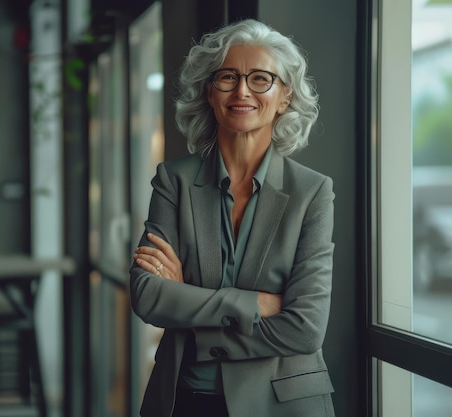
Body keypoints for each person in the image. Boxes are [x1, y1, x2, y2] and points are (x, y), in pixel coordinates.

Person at [130, 18, 335, 417]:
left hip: (282, 405)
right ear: (210, 92)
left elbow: (307, 328)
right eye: (228, 77)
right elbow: (148, 295)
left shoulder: (312, 192)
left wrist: (189, 302)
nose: (242, 90)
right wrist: (255, 304)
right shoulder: (174, 180)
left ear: (284, 97)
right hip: (184, 400)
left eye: (261, 79)